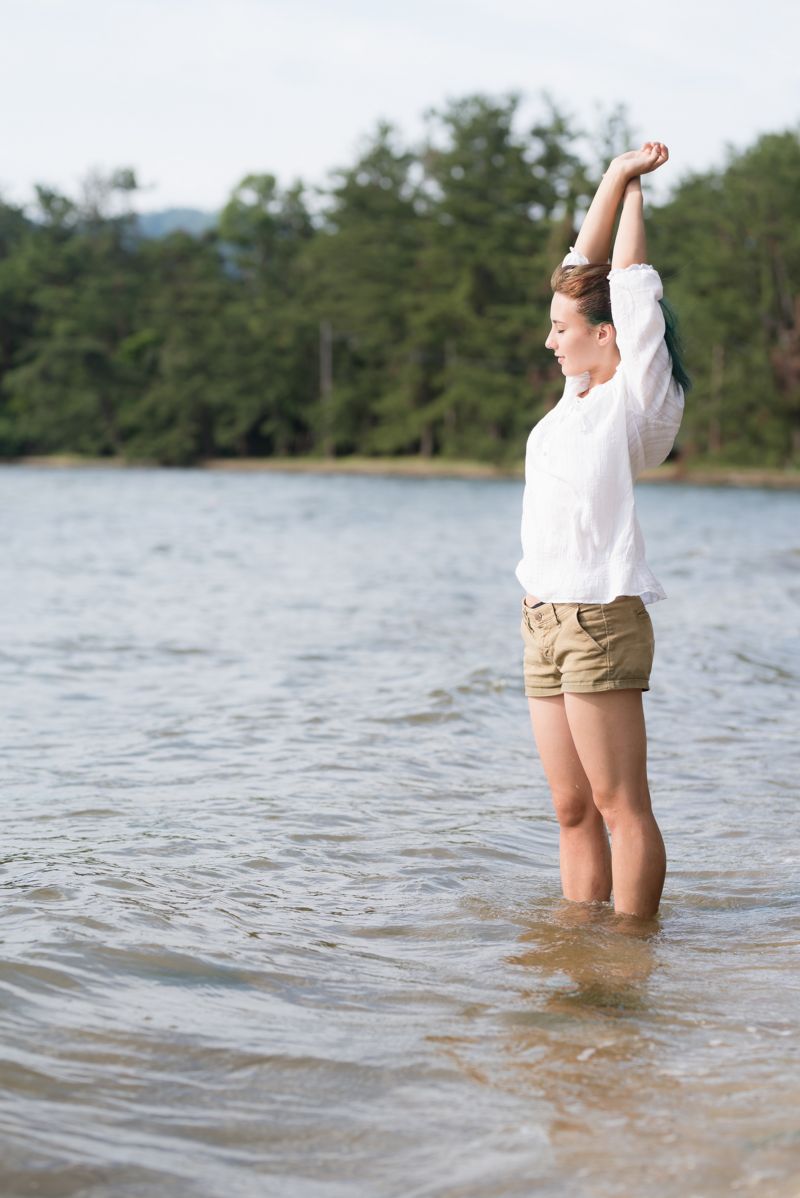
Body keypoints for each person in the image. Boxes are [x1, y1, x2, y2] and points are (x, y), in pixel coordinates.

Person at [516, 141, 688, 920]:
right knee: (572, 809)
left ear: (608, 335)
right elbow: (580, 268)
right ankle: (576, 946)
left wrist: (637, 196)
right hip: (541, 619)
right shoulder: (576, 397)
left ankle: (631, 959)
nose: (551, 340)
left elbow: (625, 284)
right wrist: (615, 177)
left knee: (621, 806)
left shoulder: (636, 403)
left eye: (562, 329)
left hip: (598, 618)